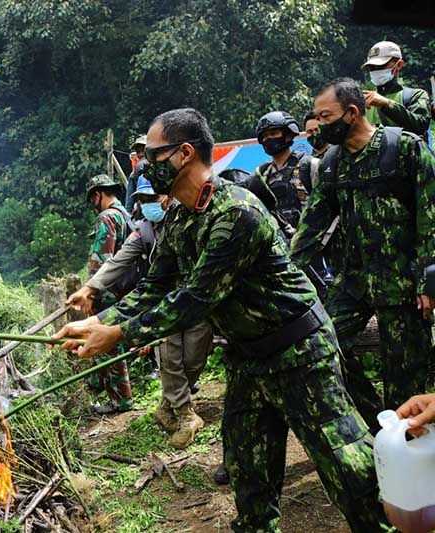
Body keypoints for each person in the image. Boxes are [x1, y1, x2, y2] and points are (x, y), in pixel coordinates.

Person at [56, 108, 388, 531]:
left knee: (350, 472)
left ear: (184, 154)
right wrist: (99, 320)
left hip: (300, 353)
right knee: (248, 475)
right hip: (249, 358)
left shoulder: (235, 214)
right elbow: (156, 285)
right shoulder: (179, 216)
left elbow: (196, 297)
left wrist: (118, 333)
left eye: (152, 156)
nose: (142, 167)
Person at [291, 77, 435, 433]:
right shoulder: (332, 163)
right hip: (353, 283)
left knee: (406, 377)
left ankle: (411, 451)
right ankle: (378, 419)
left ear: (352, 113)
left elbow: (431, 216)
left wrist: (428, 279)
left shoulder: (403, 148)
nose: (320, 125)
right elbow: (312, 224)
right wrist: (283, 270)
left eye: (326, 117)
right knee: (322, 345)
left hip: (404, 284)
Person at [67, 176, 213, 448]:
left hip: (197, 301)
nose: (148, 205)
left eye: (152, 199)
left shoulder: (188, 220)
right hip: (162, 300)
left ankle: (167, 407)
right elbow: (120, 259)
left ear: (167, 197)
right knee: (169, 358)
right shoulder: (142, 228)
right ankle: (185, 414)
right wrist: (89, 287)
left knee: (193, 358)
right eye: (142, 200)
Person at [84, 173, 134, 414]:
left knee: (108, 344)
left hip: (108, 290)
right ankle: (103, 387)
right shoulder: (124, 213)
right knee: (115, 341)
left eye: (93, 197)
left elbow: (101, 259)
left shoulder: (107, 217)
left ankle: (120, 400)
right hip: (123, 287)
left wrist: (90, 291)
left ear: (98, 194)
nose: (93, 202)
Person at [252, 111, 318, 229]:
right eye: (264, 136)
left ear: (288, 134)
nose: (268, 139)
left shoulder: (309, 165)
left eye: (273, 133)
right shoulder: (261, 175)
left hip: (309, 240)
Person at [362, 40, 432, 138]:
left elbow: (420, 126)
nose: (375, 71)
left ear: (399, 65)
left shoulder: (415, 95)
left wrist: (387, 104)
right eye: (371, 68)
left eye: (381, 66)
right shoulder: (364, 100)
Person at [125, 134, 147, 213]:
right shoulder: (134, 174)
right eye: (138, 151)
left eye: (143, 150)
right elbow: (129, 201)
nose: (141, 154)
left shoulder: (162, 167)